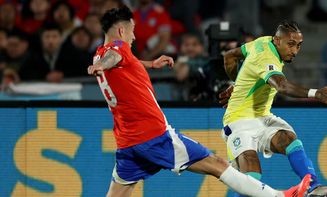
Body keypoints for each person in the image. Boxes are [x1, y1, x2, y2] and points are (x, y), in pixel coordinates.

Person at [87, 7, 312, 197]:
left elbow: (121, 61)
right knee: (217, 165)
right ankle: (280, 195)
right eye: (132, 32)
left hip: (127, 140)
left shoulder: (99, 52)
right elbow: (114, 57)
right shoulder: (114, 52)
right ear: (120, 30)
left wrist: (151, 64)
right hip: (153, 135)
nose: (134, 38)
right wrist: (102, 66)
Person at [219, 21, 327, 197]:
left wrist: (238, 83)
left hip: (262, 116)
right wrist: (316, 93)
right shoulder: (265, 57)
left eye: (299, 45)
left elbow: (229, 56)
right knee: (251, 176)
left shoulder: (263, 41)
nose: (295, 51)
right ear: (277, 40)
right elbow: (282, 86)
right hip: (238, 121)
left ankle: (313, 187)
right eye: (291, 44)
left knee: (289, 139)